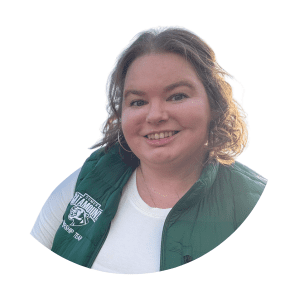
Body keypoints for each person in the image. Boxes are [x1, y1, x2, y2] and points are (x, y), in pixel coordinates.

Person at [31, 27, 267, 274]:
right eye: (138, 102)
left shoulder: (254, 205)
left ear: (214, 104)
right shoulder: (91, 179)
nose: (155, 116)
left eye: (177, 96)